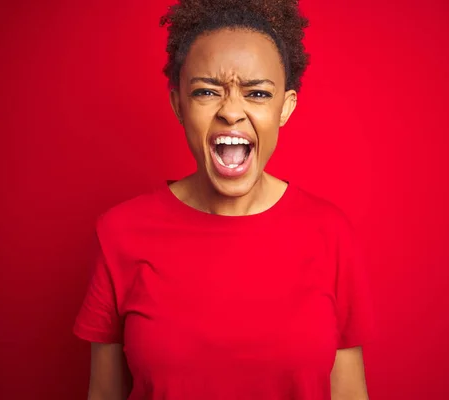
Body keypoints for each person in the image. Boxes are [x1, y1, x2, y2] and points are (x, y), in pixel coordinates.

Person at [73, 0, 374, 399]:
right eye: (206, 91)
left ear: (285, 107)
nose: (231, 111)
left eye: (258, 93)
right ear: (178, 104)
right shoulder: (120, 234)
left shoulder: (330, 232)